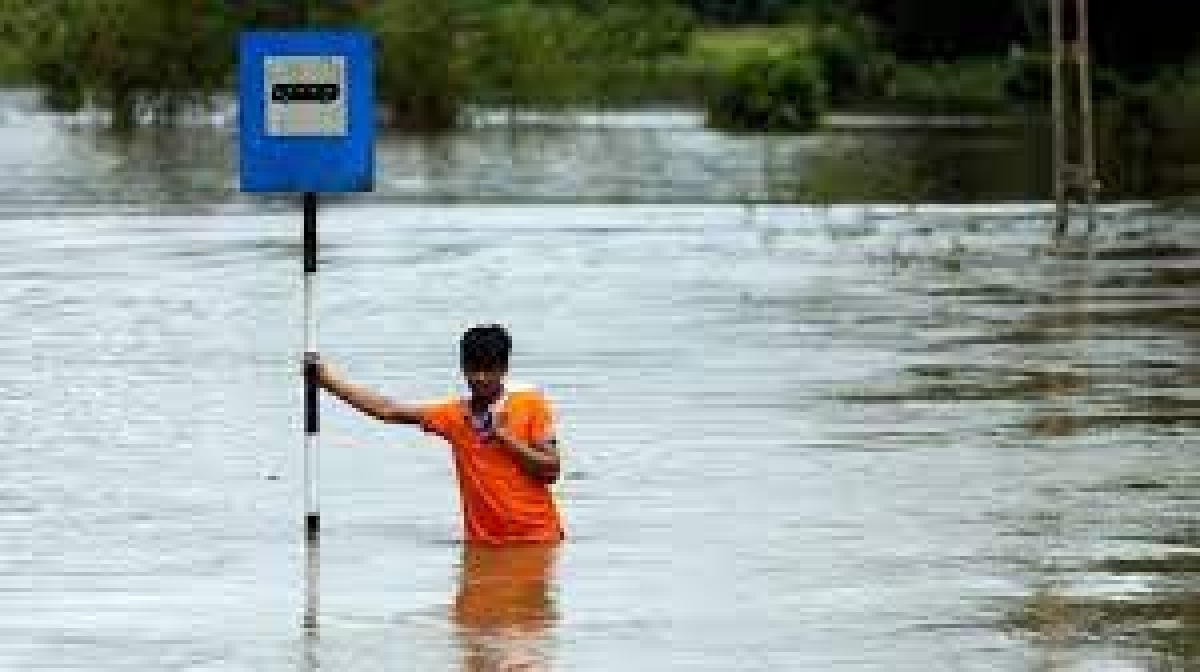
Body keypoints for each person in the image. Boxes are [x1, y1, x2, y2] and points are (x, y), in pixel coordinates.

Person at [311, 324, 565, 545]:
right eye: (473, 369)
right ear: (463, 367)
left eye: (489, 370)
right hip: (484, 543)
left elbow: (552, 469)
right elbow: (387, 410)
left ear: (504, 369)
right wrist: (327, 381)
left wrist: (504, 438)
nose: (480, 378)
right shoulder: (455, 416)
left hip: (540, 539)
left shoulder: (530, 404)